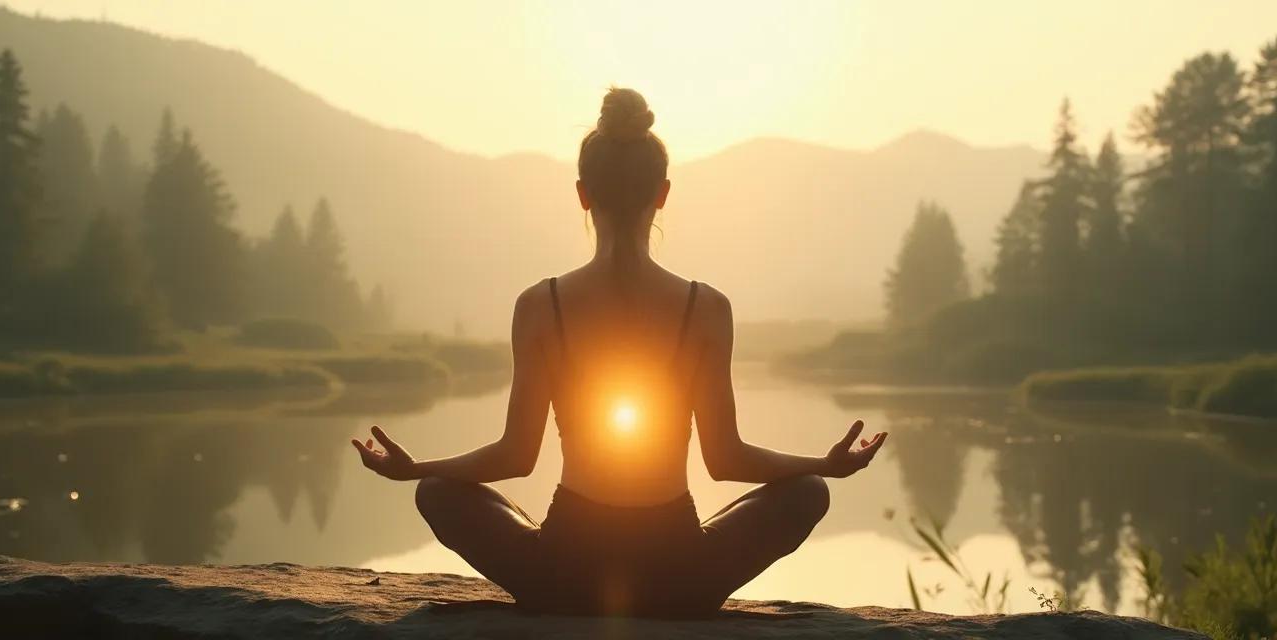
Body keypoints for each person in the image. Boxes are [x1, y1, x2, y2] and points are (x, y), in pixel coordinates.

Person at [351, 87, 888, 618]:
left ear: (583, 193)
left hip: (563, 572)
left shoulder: (541, 305)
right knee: (808, 492)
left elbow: (516, 456)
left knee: (437, 492)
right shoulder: (706, 307)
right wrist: (826, 465)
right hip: (680, 576)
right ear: (663, 193)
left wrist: (415, 468)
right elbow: (726, 460)